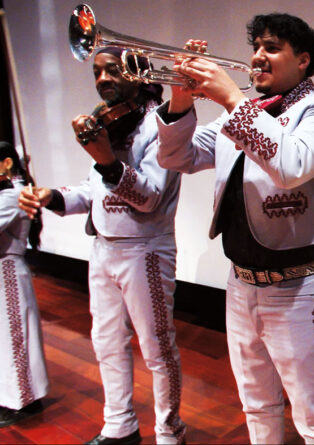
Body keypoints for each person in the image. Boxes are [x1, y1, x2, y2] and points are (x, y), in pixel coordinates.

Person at [155, 13, 314, 445]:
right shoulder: (238, 117)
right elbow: (176, 158)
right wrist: (181, 99)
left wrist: (229, 99)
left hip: (297, 289)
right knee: (255, 403)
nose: (258, 56)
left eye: (272, 47)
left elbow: (291, 166)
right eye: (256, 46)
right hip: (239, 285)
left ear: (303, 61)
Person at [18, 48, 184, 445]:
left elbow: (149, 198)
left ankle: (169, 432)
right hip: (103, 249)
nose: (102, 79)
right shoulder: (105, 124)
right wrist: (52, 197)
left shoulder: (162, 126)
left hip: (144, 250)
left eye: (112, 70)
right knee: (106, 342)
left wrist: (109, 161)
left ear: (140, 75)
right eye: (96, 72)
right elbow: (92, 193)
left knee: (157, 349)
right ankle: (120, 425)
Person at [0, 142, 47, 428]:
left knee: (16, 337)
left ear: (6, 164)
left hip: (7, 273)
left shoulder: (13, 195)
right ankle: (12, 396)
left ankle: (24, 401)